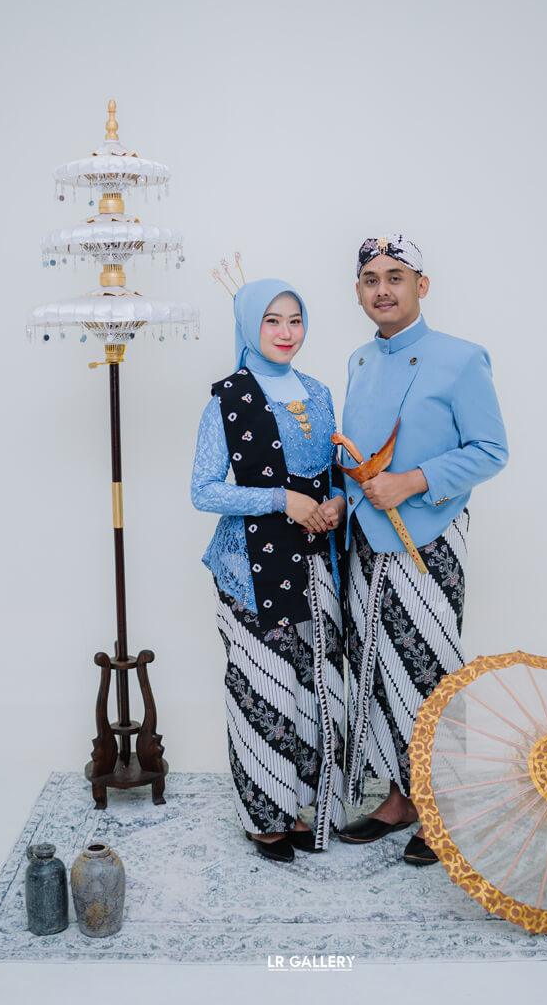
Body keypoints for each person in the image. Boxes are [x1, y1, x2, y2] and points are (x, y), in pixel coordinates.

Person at [336, 236, 508, 864]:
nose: (382, 289)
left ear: (421, 286)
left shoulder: (461, 359)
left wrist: (411, 481)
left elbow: (490, 451)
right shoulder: (359, 361)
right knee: (375, 670)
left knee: (429, 670)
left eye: (396, 277)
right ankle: (399, 798)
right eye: (370, 279)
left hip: (426, 542)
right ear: (359, 292)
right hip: (363, 543)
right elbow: (355, 455)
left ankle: (441, 807)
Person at [191, 278, 348, 863]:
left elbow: (334, 470)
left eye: (295, 320)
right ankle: (264, 817)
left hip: (315, 563)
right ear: (249, 325)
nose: (286, 333)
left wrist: (337, 502)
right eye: (272, 321)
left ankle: (300, 806)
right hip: (248, 566)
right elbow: (204, 490)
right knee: (262, 686)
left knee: (311, 685)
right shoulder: (227, 398)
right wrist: (282, 500)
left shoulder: (319, 392)